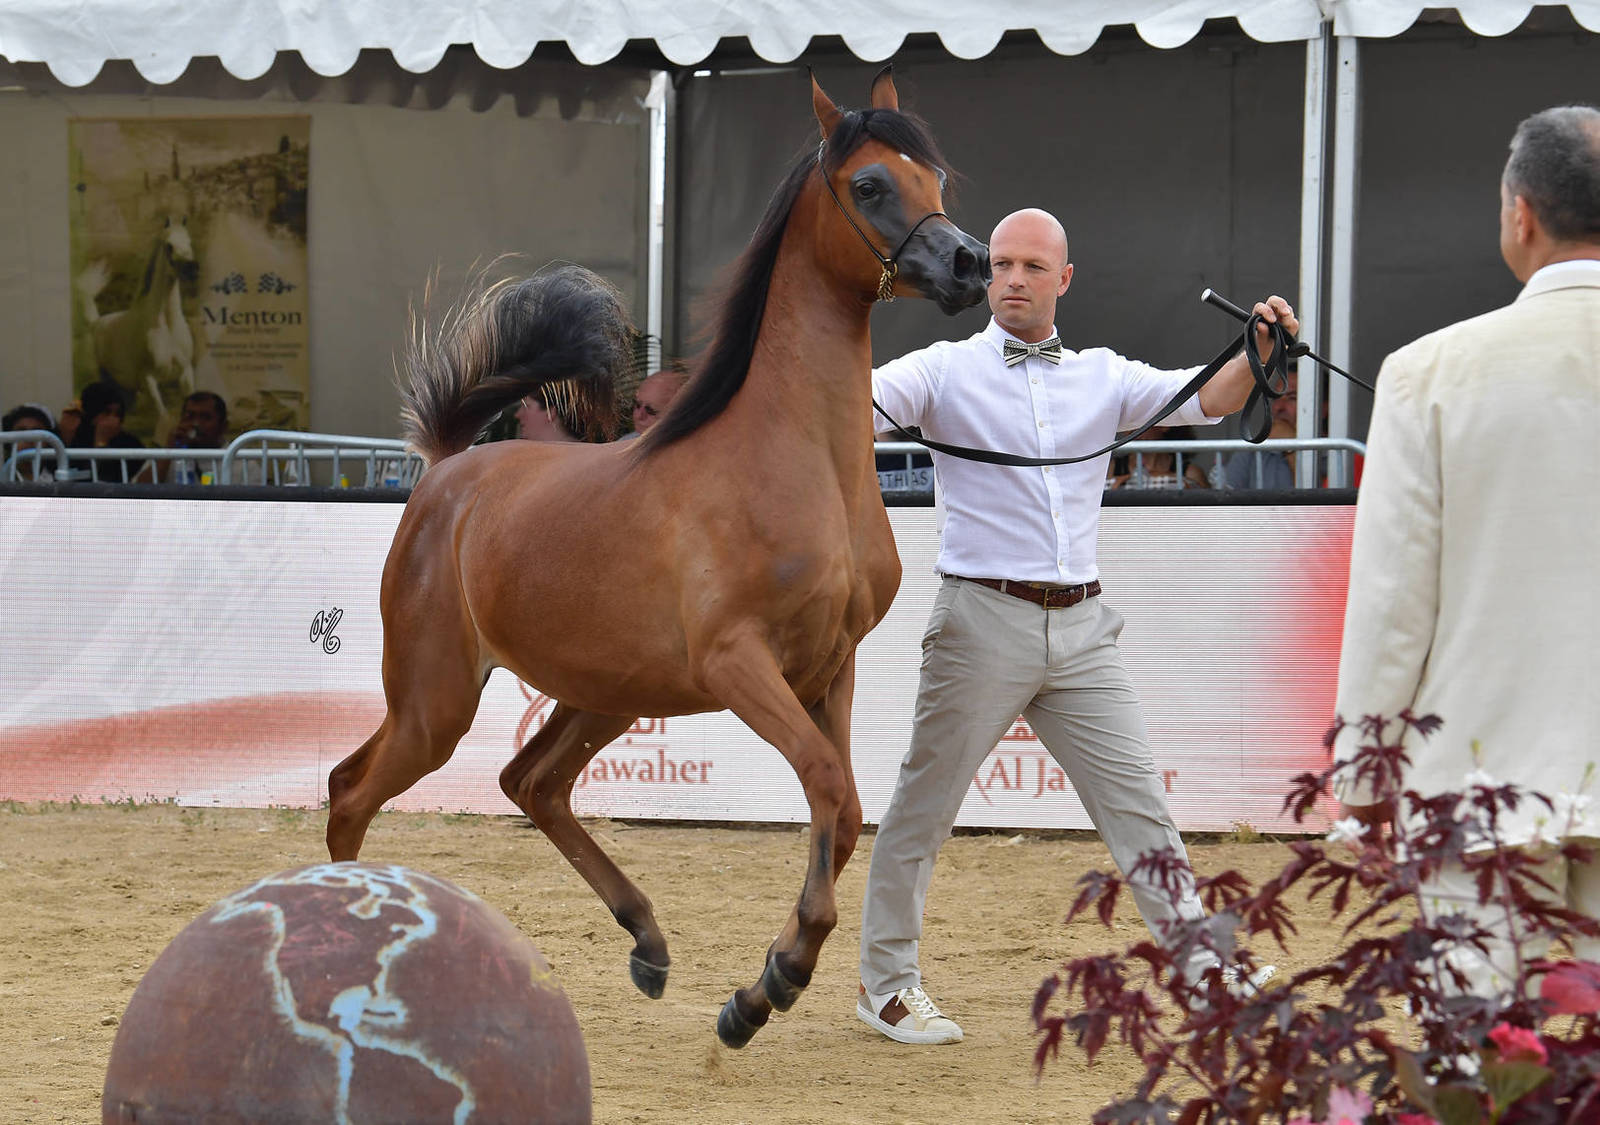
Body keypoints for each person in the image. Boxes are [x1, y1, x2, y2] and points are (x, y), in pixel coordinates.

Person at [859, 207, 1293, 1044]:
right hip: (980, 618)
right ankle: (886, 985)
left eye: (1032, 266)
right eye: (1002, 265)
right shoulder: (943, 369)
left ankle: (1204, 968)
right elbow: (853, 409)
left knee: (1141, 808)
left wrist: (1259, 348)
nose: (1013, 278)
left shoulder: (1102, 373)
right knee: (924, 808)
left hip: (1085, 625)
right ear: (988, 278)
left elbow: (1207, 399)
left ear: (1065, 279)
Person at [1332, 105, 1600, 1000]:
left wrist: (1364, 773)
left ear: (1520, 213)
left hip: (1483, 784)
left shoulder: (1426, 374)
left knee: (1474, 1061)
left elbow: (1393, 600)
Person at [1223, 365, 1301, 489]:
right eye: (1276, 398)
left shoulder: (1332, 452)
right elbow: (1225, 499)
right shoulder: (1253, 450)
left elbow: (1323, 502)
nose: (1278, 407)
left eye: (1292, 398)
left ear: (1323, 407)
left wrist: (1292, 448)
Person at [69, 381, 146, 482]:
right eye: (107, 412)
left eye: (117, 414)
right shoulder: (77, 442)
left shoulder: (131, 444)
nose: (113, 420)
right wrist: (100, 444)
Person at [1110, 423, 1211, 490]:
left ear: (1165, 425)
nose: (1131, 431)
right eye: (1127, 424)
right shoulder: (1112, 467)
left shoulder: (1190, 472)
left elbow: (1207, 509)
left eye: (1139, 423)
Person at [160, 390, 228, 482]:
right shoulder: (168, 457)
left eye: (205, 417)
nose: (196, 424)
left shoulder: (241, 462)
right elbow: (139, 490)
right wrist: (167, 451)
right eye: (190, 416)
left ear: (223, 426)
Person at [622, 367, 688, 439]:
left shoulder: (694, 448)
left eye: (651, 411)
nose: (638, 416)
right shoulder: (623, 443)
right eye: (638, 405)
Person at [2, 402, 59, 480]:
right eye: (21, 431)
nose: (29, 439)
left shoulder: (62, 478)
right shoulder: (3, 477)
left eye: (37, 432)